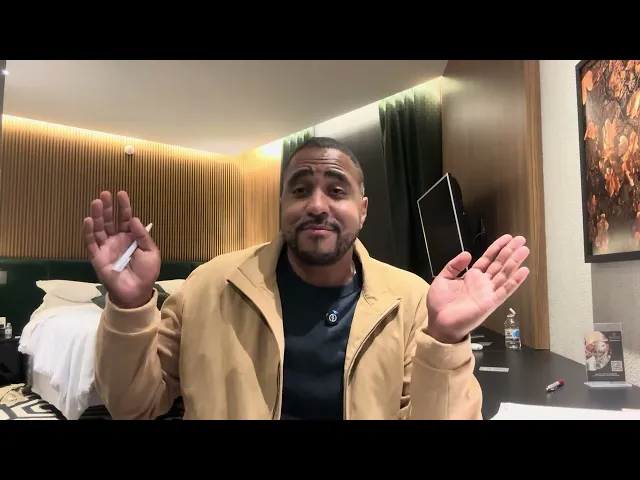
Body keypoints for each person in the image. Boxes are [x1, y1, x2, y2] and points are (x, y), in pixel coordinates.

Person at [83, 136, 530, 420]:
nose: (317, 205)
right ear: (282, 205)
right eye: (300, 190)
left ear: (363, 210)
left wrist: (446, 339)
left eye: (337, 190)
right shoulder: (207, 286)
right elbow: (133, 406)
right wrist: (129, 305)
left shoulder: (412, 300)